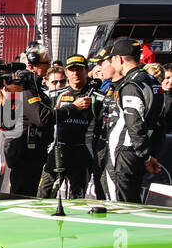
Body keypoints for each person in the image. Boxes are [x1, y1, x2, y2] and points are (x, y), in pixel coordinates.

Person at [101, 38, 164, 202]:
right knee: (132, 201)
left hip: (124, 152)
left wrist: (146, 156)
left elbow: (134, 125)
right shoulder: (152, 81)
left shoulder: (131, 85)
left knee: (119, 204)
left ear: (119, 59)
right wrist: (147, 154)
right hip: (138, 152)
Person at [36, 55, 99, 199]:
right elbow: (45, 118)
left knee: (77, 197)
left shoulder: (96, 97)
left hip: (82, 152)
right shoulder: (55, 95)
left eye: (79, 69)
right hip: (58, 149)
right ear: (66, 72)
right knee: (44, 193)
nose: (75, 73)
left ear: (86, 70)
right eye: (72, 70)